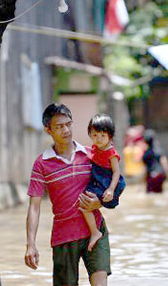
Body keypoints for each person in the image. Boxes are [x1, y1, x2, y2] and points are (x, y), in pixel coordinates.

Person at [25, 103, 111, 286]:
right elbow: (34, 206)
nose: (66, 130)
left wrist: (100, 202)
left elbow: (112, 186)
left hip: (95, 231)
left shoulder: (91, 155)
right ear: (48, 130)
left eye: (68, 124)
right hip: (64, 237)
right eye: (59, 126)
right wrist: (30, 244)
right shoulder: (41, 164)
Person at [82, 114, 125, 252]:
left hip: (106, 181)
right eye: (95, 135)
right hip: (96, 178)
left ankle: (95, 232)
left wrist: (111, 189)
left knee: (87, 204)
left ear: (110, 136)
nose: (98, 139)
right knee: (84, 203)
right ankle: (94, 231)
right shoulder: (94, 148)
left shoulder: (111, 153)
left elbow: (116, 172)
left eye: (102, 136)